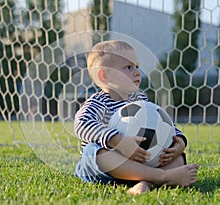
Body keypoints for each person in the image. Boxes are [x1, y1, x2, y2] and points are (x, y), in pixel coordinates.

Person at [74, 40, 199, 195]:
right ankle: (161, 177)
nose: (137, 72)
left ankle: (144, 182)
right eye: (128, 67)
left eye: (137, 66)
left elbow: (162, 123)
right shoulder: (98, 103)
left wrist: (178, 142)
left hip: (139, 165)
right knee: (92, 151)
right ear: (104, 75)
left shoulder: (141, 100)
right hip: (105, 171)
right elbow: (82, 124)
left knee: (177, 158)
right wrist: (118, 141)